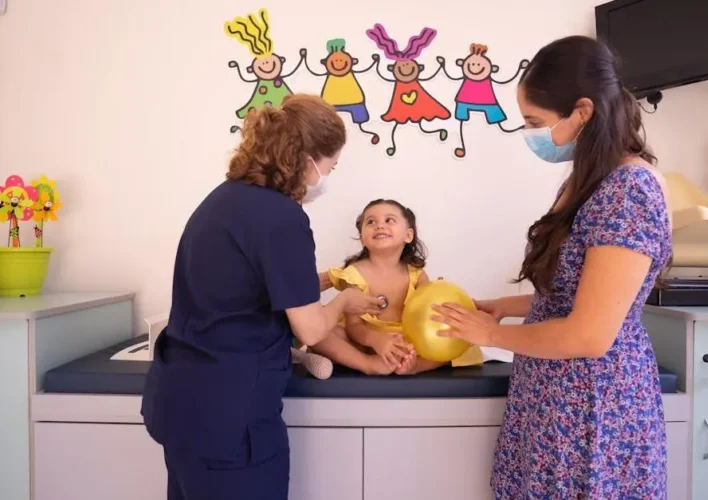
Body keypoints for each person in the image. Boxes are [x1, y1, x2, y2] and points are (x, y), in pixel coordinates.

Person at [431, 36, 672, 499]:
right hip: (553, 398)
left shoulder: (629, 190)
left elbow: (589, 333)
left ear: (582, 111)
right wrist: (503, 307)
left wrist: (490, 335)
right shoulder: (589, 181)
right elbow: (576, 291)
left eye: (535, 122)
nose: (530, 135)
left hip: (592, 408)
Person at [140, 94, 384, 500]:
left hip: (182, 403)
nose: (327, 177)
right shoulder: (282, 217)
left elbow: (246, 287)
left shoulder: (223, 200)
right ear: (306, 160)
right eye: (330, 166)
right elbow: (308, 327)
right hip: (231, 421)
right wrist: (344, 303)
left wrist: (328, 281)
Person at [312, 199, 484, 375]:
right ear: (362, 238)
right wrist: (376, 340)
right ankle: (368, 364)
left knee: (466, 341)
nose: (379, 226)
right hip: (364, 341)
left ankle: (416, 366)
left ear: (408, 235)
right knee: (314, 328)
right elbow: (354, 327)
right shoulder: (354, 274)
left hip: (407, 341)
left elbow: (431, 317)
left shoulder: (416, 275)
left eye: (389, 220)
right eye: (371, 222)